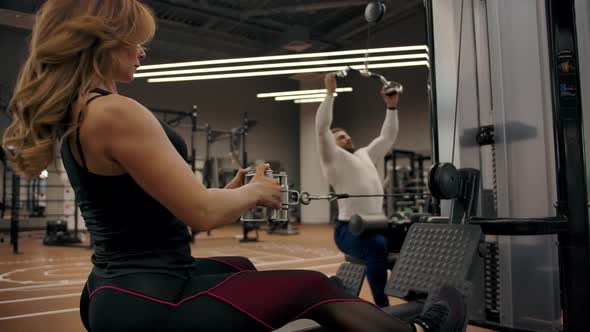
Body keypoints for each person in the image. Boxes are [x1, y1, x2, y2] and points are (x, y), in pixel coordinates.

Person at [1, 1, 465, 331]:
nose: (142, 50)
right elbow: (201, 214)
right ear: (104, 43)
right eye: (135, 41)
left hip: (120, 288)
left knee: (239, 263)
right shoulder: (114, 113)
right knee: (313, 287)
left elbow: (159, 210)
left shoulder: (84, 111)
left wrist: (228, 193)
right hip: (149, 302)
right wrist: (256, 193)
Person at [315, 73, 400, 308]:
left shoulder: (364, 154)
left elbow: (387, 137)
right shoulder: (332, 157)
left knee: (410, 234)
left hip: (376, 223)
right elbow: (321, 129)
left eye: (347, 134)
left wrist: (391, 108)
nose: (347, 137)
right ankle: (383, 306)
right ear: (333, 143)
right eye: (341, 136)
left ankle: (414, 295)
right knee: (377, 246)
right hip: (349, 230)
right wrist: (330, 94)